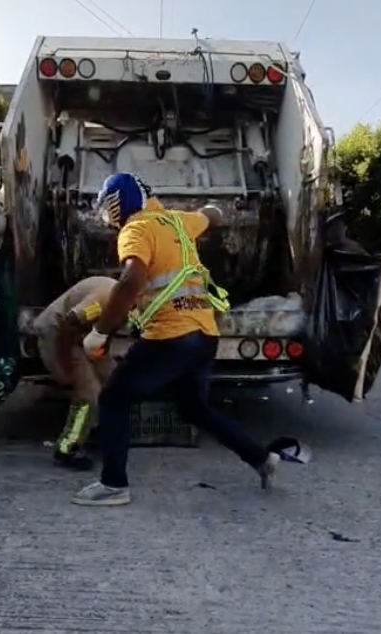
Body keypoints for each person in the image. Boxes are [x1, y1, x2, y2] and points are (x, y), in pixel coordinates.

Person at [72, 173, 284, 506]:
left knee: (114, 399)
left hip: (170, 336)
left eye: (108, 208)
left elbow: (130, 281)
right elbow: (214, 215)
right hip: (204, 335)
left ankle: (113, 485)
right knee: (194, 407)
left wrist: (100, 332)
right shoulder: (179, 222)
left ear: (118, 204)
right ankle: (261, 458)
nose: (108, 217)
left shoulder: (136, 229)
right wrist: (211, 207)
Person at [33, 276, 117, 470]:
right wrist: (67, 366)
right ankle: (67, 448)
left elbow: (107, 332)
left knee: (112, 381)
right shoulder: (101, 302)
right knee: (88, 396)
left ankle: (94, 430)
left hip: (80, 336)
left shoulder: (125, 304)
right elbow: (69, 323)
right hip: (57, 333)